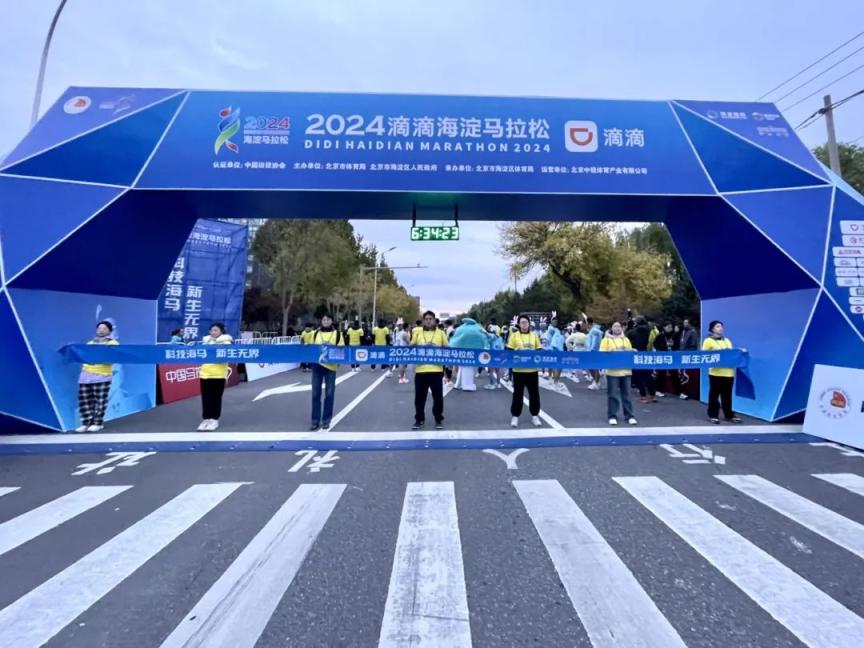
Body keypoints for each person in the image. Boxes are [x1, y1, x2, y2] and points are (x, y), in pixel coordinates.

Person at [76, 320, 119, 433]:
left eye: (104, 328)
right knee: (84, 400)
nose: (101, 330)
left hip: (102, 376)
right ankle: (86, 423)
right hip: (86, 376)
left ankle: (97, 423)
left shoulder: (113, 344)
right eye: (99, 328)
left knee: (100, 401)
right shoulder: (90, 343)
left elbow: (112, 358)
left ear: (109, 331)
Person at [411, 310, 449, 430]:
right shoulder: (417, 332)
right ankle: (419, 419)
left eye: (430, 319)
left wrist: (438, 348)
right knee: (419, 398)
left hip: (436, 370)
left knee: (438, 398)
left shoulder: (441, 333)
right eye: (426, 319)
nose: (428, 321)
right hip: (420, 370)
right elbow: (411, 347)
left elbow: (447, 348)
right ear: (423, 321)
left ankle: (438, 419)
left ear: (434, 320)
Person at [702, 320, 744, 424]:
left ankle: (729, 415)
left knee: (727, 396)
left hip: (729, 373)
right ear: (712, 329)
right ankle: (713, 415)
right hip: (716, 373)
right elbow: (704, 355)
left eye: (721, 326)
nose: (720, 328)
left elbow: (731, 354)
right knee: (714, 395)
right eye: (718, 326)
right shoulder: (708, 341)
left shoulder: (727, 340)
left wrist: (740, 351)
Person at [507, 315, 543, 428]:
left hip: (532, 370)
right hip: (518, 370)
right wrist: (516, 351)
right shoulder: (514, 336)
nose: (524, 324)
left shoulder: (534, 335)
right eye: (522, 322)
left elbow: (539, 349)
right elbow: (509, 351)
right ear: (519, 324)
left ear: (529, 323)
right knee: (517, 394)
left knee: (534, 394)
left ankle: (535, 415)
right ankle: (515, 416)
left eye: (526, 322)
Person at [310, 314, 344, 431]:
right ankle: (315, 421)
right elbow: (310, 348)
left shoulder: (338, 334)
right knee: (315, 394)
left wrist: (333, 347)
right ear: (321, 321)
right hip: (316, 366)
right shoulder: (315, 333)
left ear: (331, 321)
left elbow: (342, 350)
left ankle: (326, 420)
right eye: (323, 319)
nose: (325, 321)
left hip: (331, 367)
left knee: (329, 394)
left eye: (328, 319)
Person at [600, 322, 638, 425]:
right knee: (613, 395)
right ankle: (612, 415)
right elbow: (601, 352)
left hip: (626, 371)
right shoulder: (606, 340)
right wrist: (609, 351)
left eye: (619, 326)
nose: (617, 328)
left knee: (627, 394)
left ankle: (629, 416)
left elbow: (629, 352)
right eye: (615, 326)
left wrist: (632, 350)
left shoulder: (626, 339)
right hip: (613, 371)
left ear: (622, 328)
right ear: (611, 328)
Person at [198, 323, 233, 431]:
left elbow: (227, 356)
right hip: (205, 374)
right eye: (211, 330)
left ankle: (214, 419)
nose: (213, 332)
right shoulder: (205, 342)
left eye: (216, 330)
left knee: (216, 398)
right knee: (206, 398)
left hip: (218, 375)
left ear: (221, 331)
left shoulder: (227, 342)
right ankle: (206, 419)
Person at [449, 317, 487, 392]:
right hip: (474, 352)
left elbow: (454, 340)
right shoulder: (478, 328)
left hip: (461, 352)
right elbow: (485, 338)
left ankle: (458, 384)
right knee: (469, 368)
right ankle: (467, 385)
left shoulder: (460, 328)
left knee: (462, 367)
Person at [627, 317, 657, 403]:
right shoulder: (649, 330)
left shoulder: (632, 332)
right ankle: (652, 395)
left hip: (636, 354)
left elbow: (626, 338)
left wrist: (629, 326)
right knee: (648, 376)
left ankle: (643, 396)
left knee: (638, 377)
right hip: (645, 354)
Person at [653, 322, 683, 398]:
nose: (670, 329)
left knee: (674, 373)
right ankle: (658, 390)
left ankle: (678, 391)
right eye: (668, 327)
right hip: (663, 357)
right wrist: (665, 345)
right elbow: (655, 345)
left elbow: (677, 345)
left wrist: (673, 345)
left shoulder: (673, 335)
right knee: (661, 373)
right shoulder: (660, 335)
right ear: (664, 327)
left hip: (672, 357)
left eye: (671, 327)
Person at [585, 317, 604, 390]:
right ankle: (596, 382)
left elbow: (594, 342)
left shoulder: (594, 331)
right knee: (591, 367)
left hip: (593, 351)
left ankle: (596, 383)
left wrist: (591, 350)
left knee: (594, 367)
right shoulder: (593, 330)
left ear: (588, 323)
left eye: (585, 323)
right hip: (592, 351)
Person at [546, 318, 565, 385]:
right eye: (554, 322)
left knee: (555, 365)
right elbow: (552, 331)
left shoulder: (557, 330)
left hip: (557, 349)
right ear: (551, 322)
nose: (555, 323)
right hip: (551, 348)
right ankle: (551, 378)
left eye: (556, 322)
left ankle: (555, 380)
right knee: (552, 364)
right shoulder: (550, 328)